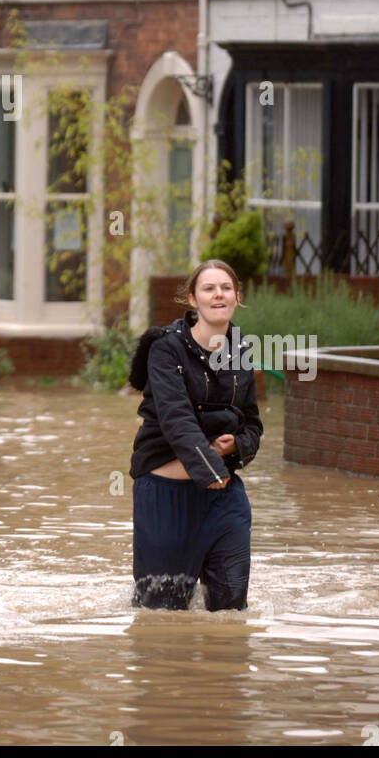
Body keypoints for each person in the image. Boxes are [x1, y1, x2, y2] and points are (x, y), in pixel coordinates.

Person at [127, 259, 263, 612]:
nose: (219, 294)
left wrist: (240, 445)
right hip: (165, 498)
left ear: (236, 297)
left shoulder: (242, 350)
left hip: (224, 500)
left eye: (226, 287)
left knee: (232, 612)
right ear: (192, 299)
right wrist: (209, 467)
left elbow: (252, 422)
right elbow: (176, 419)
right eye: (209, 288)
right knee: (160, 614)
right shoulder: (165, 348)